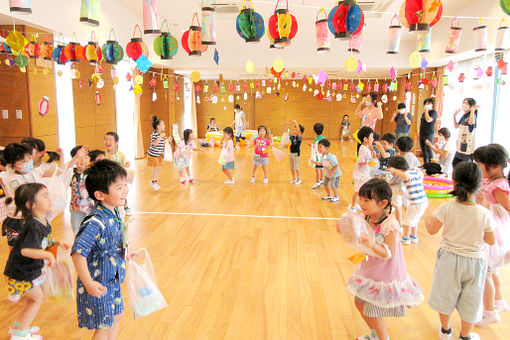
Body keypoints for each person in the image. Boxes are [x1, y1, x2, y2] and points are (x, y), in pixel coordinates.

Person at [344, 179, 423, 340]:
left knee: (372, 311)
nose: (361, 203)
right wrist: (346, 228)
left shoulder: (390, 224)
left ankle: (382, 338)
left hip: (384, 274)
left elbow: (389, 253)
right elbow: (359, 237)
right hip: (369, 270)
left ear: (383, 203)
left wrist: (372, 244)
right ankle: (375, 335)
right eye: (360, 199)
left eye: (366, 200)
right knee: (359, 303)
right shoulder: (367, 216)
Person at [425, 162, 495, 340]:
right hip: (475, 262)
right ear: (479, 185)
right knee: (471, 300)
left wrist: (427, 218)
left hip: (449, 260)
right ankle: (465, 336)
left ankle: (446, 330)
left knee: (445, 295)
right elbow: (490, 241)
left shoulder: (447, 207)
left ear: (454, 183)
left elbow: (432, 230)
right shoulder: (484, 213)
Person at [72, 160, 137, 340]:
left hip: (112, 279)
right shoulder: (95, 221)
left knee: (116, 316)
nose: (125, 190)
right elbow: (78, 253)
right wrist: (88, 283)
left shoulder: (114, 211)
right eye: (119, 187)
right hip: (98, 282)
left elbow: (111, 243)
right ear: (100, 194)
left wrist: (125, 253)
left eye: (125, 185)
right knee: (104, 325)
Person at [4, 183, 70, 340]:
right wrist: (47, 256)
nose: (50, 198)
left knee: (32, 300)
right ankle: (20, 335)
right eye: (45, 196)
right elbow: (26, 250)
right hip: (20, 273)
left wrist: (57, 243)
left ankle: (19, 327)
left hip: (26, 271)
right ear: (30, 204)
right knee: (36, 299)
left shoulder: (43, 221)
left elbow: (43, 243)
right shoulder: (33, 225)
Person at [1, 143, 86, 246]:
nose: (28, 162)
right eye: (24, 161)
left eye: (29, 159)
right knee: (15, 248)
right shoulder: (5, 177)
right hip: (16, 219)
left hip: (36, 218)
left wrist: (75, 157)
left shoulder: (36, 172)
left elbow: (60, 171)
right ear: (11, 165)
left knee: (40, 245)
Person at [473, 145, 510, 326]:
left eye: (481, 165)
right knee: (491, 270)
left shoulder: (499, 186)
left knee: (485, 272)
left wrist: (486, 205)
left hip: (494, 233)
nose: (479, 169)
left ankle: (489, 312)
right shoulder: (492, 182)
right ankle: (499, 301)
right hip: (489, 230)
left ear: (494, 167)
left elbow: (507, 210)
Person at [388, 156, 428, 245]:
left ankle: (406, 238)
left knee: (407, 221)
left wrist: (395, 171)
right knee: (414, 220)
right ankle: (413, 236)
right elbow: (419, 172)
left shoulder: (407, 174)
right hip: (423, 201)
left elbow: (406, 176)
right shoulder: (415, 172)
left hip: (416, 203)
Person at [104, 132, 131, 215]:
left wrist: (126, 164)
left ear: (116, 143)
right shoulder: (104, 154)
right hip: (108, 179)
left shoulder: (120, 154)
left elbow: (127, 162)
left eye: (110, 140)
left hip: (118, 179)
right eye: (105, 140)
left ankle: (125, 206)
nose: (107, 142)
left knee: (121, 193)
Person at [69, 146, 94, 236]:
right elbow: (65, 170)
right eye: (79, 158)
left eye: (85, 158)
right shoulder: (71, 173)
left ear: (90, 159)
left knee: (91, 229)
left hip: (90, 207)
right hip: (76, 208)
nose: (83, 161)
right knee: (77, 229)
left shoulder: (93, 173)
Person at [350, 127, 376, 212]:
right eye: (371, 137)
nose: (373, 138)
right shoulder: (363, 149)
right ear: (365, 139)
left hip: (364, 172)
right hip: (360, 174)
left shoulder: (366, 148)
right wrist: (368, 161)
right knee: (357, 190)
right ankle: (353, 206)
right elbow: (360, 161)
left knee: (361, 189)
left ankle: (358, 204)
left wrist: (372, 152)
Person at [147, 116, 174, 191]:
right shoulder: (154, 134)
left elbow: (163, 142)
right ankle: (153, 181)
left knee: (159, 168)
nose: (164, 125)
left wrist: (168, 140)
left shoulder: (161, 134)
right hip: (153, 154)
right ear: (159, 126)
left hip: (158, 154)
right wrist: (161, 136)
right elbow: (155, 143)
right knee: (156, 167)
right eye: (163, 124)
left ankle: (155, 181)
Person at [452, 98, 479, 168]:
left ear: (471, 105)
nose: (463, 105)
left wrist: (473, 110)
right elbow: (456, 126)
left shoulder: (472, 116)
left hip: (467, 148)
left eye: (465, 103)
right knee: (455, 163)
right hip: (460, 145)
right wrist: (454, 115)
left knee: (465, 167)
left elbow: (471, 122)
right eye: (463, 103)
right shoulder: (464, 116)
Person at [419, 98, 437, 165]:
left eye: (428, 104)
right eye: (425, 104)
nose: (426, 105)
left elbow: (428, 120)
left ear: (432, 105)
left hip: (429, 133)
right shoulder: (424, 113)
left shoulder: (433, 112)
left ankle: (431, 164)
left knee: (428, 149)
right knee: (423, 149)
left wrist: (426, 111)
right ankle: (425, 164)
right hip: (422, 133)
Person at [287, 120, 304, 185]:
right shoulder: (292, 137)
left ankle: (298, 179)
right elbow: (286, 133)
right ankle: (294, 178)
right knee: (291, 167)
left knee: (296, 167)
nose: (294, 131)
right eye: (294, 130)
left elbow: (299, 132)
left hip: (296, 154)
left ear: (300, 132)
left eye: (296, 130)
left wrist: (296, 123)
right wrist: (286, 126)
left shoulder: (299, 138)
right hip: (291, 153)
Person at [309, 123, 326, 189]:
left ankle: (317, 182)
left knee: (317, 169)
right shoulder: (324, 138)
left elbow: (315, 148)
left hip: (318, 157)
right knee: (321, 168)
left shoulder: (317, 139)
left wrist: (311, 145)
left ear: (314, 131)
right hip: (323, 156)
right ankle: (321, 179)